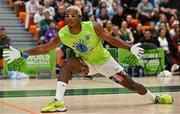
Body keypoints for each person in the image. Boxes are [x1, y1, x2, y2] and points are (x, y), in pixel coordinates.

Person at [3, 6, 173, 113]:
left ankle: (155, 98)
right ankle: (58, 102)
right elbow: (44, 47)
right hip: (86, 64)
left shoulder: (93, 27)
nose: (68, 17)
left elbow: (111, 39)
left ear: (80, 18)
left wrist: (130, 47)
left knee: (133, 86)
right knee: (68, 64)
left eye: (72, 15)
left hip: (106, 63)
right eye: (66, 15)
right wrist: (23, 53)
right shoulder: (63, 34)